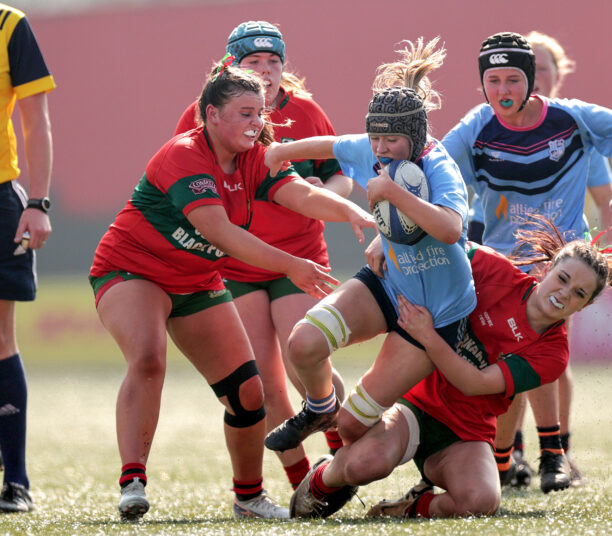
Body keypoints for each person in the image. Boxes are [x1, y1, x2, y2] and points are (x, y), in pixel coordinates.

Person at [88, 59, 374, 521]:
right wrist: (293, 266)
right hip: (132, 269)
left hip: (197, 280)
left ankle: (249, 498)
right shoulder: (184, 154)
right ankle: (133, 481)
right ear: (211, 115)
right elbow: (221, 233)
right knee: (147, 356)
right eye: (244, 113)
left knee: (248, 394)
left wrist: (350, 211)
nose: (256, 123)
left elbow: (300, 193)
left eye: (260, 113)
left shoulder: (257, 154)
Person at [286, 217, 612, 519]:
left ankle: (405, 508)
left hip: (466, 432)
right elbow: (438, 237)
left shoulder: (554, 354)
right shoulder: (490, 268)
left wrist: (428, 336)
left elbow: (474, 384)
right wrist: (387, 240)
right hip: (416, 407)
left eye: (579, 294)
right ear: (547, 269)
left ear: (584, 307)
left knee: (481, 500)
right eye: (563, 278)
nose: (565, 293)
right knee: (365, 463)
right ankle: (323, 477)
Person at [441, 31, 612, 493]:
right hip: (499, 261)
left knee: (537, 353)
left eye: (515, 79)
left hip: (559, 261)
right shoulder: (476, 127)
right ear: (482, 84)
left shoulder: (570, 120)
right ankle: (511, 457)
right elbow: (439, 170)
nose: (504, 90)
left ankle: (550, 453)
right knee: (511, 359)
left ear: (534, 81)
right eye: (494, 80)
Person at [262, 37, 476, 456]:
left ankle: (395, 457)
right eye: (375, 138)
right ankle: (320, 408)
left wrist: (394, 194)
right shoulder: (371, 146)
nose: (380, 148)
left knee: (354, 427)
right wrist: (280, 152)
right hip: (388, 284)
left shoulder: (438, 166)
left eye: (391, 140)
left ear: (414, 138)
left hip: (435, 313)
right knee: (303, 344)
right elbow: (327, 145)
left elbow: (451, 230)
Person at [176, 20, 353, 490]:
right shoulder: (204, 113)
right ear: (231, 65)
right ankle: (303, 483)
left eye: (274, 61)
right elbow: (180, 181)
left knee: (307, 364)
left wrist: (327, 190)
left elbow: (341, 179)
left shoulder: (307, 111)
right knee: (262, 380)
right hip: (234, 265)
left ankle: (347, 455)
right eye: (254, 61)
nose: (267, 70)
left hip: (298, 255)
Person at [0, 4, 55, 514]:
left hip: (0, 198)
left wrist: (37, 203)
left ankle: (14, 481)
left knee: (0, 336)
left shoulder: (10, 25)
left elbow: (35, 121)